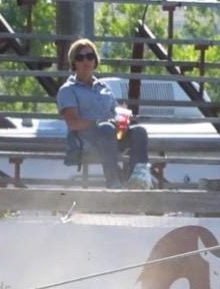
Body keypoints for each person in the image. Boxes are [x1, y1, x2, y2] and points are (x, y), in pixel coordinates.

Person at [56, 39, 152, 188]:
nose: (86, 61)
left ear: (95, 60)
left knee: (139, 131)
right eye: (80, 58)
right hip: (86, 140)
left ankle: (137, 179)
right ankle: (114, 182)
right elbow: (73, 123)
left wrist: (123, 117)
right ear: (74, 63)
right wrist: (99, 122)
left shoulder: (104, 87)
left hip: (112, 135)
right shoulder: (68, 90)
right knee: (105, 128)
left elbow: (116, 112)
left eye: (90, 56)